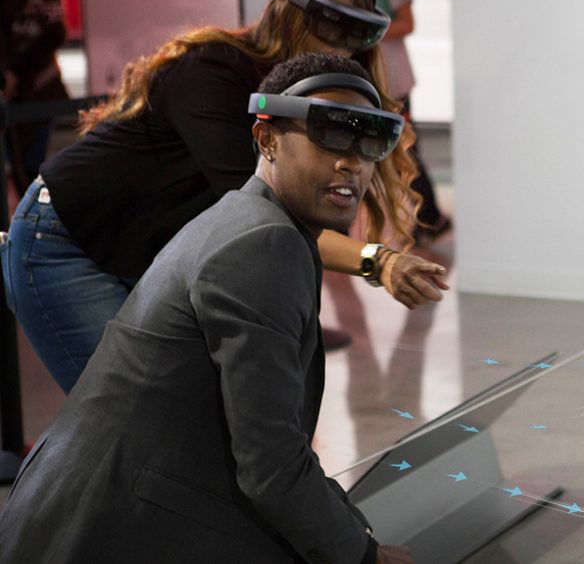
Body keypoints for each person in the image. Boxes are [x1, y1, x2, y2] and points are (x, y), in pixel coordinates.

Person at [0, 53, 416, 564]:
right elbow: (271, 465)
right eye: (328, 135)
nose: (352, 162)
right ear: (266, 140)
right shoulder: (264, 244)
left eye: (368, 142)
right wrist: (363, 556)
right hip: (101, 530)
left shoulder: (252, 221)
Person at [0, 0, 448, 394]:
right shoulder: (214, 68)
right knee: (128, 415)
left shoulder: (300, 96)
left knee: (182, 417)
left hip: (144, 250)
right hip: (63, 241)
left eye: (356, 32)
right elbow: (259, 209)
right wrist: (377, 261)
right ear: (287, 13)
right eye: (332, 23)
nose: (342, 45)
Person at [333, 0, 451, 245]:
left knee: (406, 152)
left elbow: (408, 22)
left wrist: (365, 29)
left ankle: (430, 219)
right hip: (362, 79)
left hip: (393, 80)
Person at [0, 0, 69, 195]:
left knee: (38, 167)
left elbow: (55, 33)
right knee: (16, 168)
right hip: (9, 95)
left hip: (42, 89)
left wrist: (15, 69)